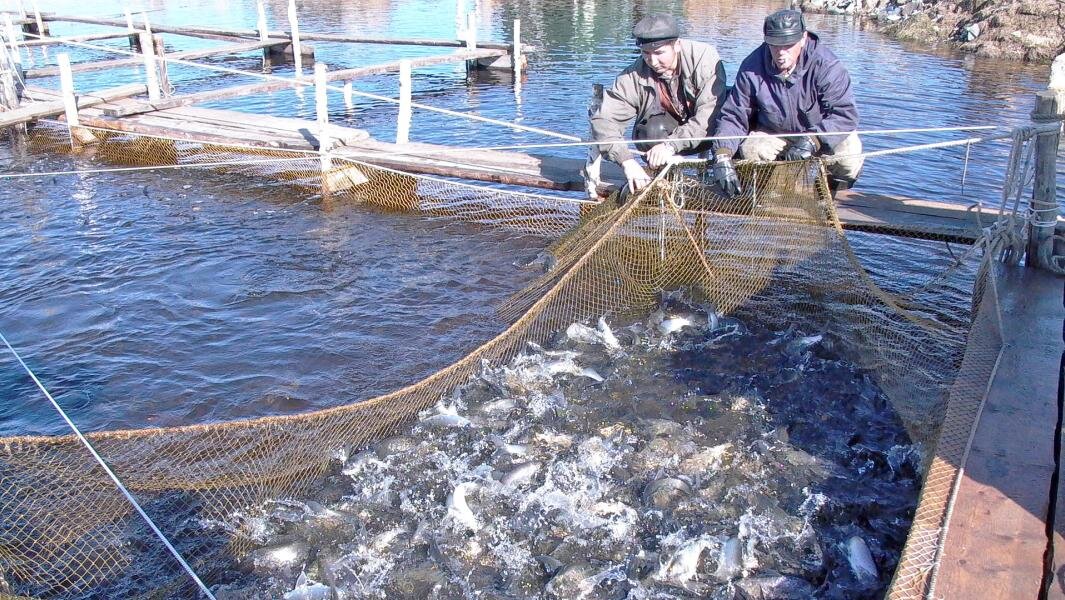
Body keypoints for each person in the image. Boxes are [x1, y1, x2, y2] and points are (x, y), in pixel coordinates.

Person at [710, 9, 863, 197]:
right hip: (775, 133)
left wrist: (812, 140)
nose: (781, 53)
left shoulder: (827, 65)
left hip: (819, 134)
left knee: (850, 153)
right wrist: (722, 154)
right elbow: (734, 116)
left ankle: (827, 193)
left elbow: (845, 114)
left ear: (803, 38)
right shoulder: (751, 67)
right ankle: (769, 192)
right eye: (774, 46)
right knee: (752, 148)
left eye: (788, 45)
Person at [589, 13, 727, 193]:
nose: (653, 61)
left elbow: (708, 117)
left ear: (677, 45)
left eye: (659, 53)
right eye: (646, 53)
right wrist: (626, 161)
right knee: (649, 133)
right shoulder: (633, 74)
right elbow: (603, 120)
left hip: (707, 131)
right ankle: (664, 178)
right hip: (666, 129)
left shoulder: (704, 58)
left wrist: (671, 145)